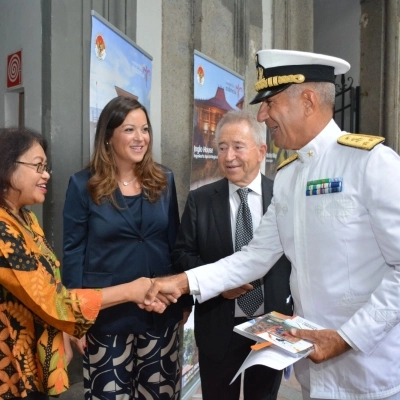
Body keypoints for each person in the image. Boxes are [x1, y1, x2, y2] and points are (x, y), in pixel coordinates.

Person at [144, 49, 400, 400]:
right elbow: (256, 256)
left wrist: (347, 338)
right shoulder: (289, 176)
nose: (262, 114)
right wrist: (185, 281)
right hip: (314, 371)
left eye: (270, 103)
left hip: (369, 373)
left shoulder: (372, 165)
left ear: (308, 100)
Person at [0, 127, 167, 400]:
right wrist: (130, 290)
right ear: (6, 166)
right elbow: (55, 301)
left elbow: (49, 279)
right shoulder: (3, 232)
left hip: (33, 360)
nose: (46, 175)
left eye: (46, 166)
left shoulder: (25, 219)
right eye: (37, 166)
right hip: (10, 369)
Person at [62, 96, 190, 400]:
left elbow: (174, 242)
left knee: (159, 394)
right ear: (109, 136)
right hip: (108, 315)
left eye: (144, 130)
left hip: (159, 311)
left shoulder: (164, 179)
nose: (140, 138)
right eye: (130, 130)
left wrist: (184, 300)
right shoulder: (83, 185)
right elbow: (73, 253)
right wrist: (71, 320)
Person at [172, 110, 292, 400]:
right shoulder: (201, 200)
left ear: (261, 150)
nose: (228, 157)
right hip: (218, 327)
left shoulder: (284, 197)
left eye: (238, 146)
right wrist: (220, 284)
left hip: (271, 325)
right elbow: (182, 255)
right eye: (222, 147)